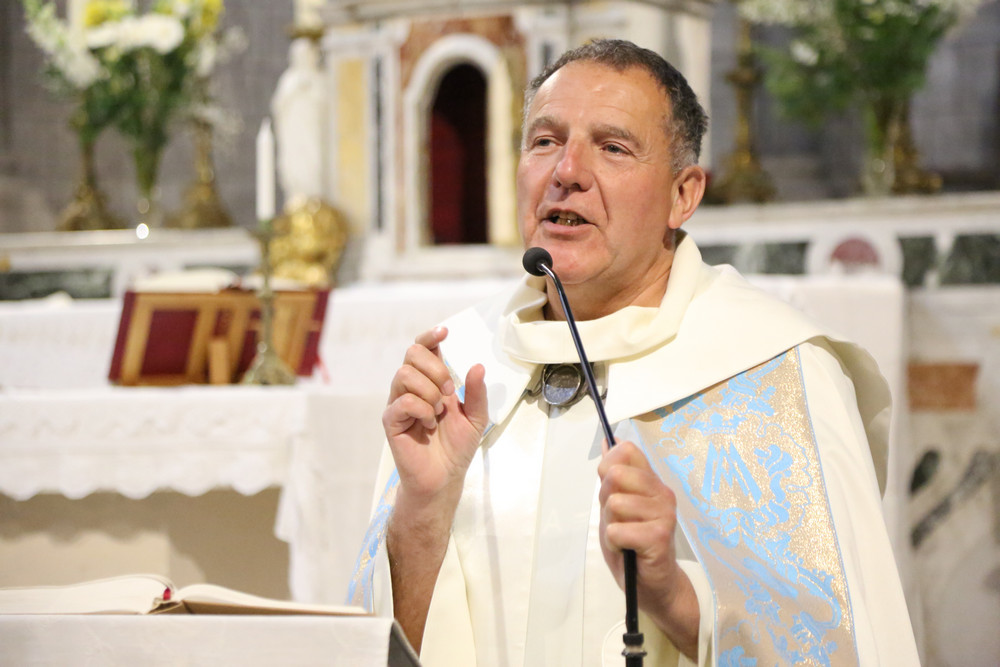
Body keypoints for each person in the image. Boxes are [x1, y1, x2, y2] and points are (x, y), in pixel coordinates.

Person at [349, 39, 919, 666]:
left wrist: (672, 597)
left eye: (613, 147)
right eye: (545, 141)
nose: (567, 170)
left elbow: (839, 644)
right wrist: (422, 514)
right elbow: (374, 644)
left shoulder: (771, 372)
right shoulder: (455, 368)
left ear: (683, 196)